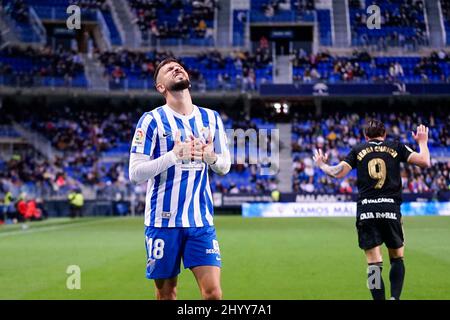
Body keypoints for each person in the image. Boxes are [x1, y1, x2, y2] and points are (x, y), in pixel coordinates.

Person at [128, 57, 231, 300]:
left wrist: (210, 157)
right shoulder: (151, 120)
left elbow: (224, 167)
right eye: (168, 69)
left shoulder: (211, 118)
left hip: (200, 220)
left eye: (179, 67)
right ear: (160, 87)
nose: (176, 68)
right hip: (162, 222)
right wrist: (174, 155)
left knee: (213, 294)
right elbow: (135, 173)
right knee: (166, 294)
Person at [313, 120, 431, 300]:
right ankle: (395, 298)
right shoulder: (396, 146)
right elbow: (425, 161)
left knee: (373, 264)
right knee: (397, 258)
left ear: (366, 137)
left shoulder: (358, 150)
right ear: (384, 135)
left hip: (367, 210)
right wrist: (422, 141)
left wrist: (322, 165)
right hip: (390, 208)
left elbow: (338, 173)